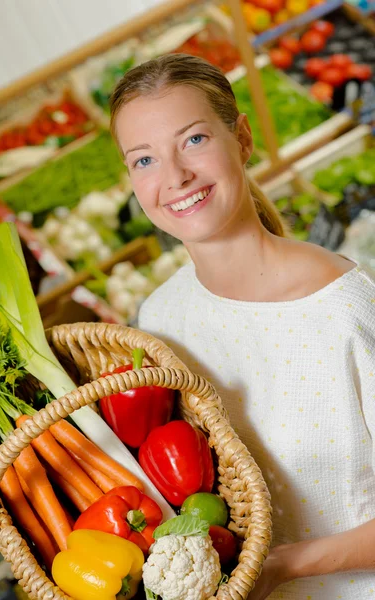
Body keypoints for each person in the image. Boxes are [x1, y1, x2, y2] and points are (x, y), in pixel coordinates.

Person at [109, 53, 375, 599]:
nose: (175, 176)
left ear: (243, 139)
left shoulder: (345, 311)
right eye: (144, 160)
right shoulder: (160, 319)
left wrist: (281, 566)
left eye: (194, 140)